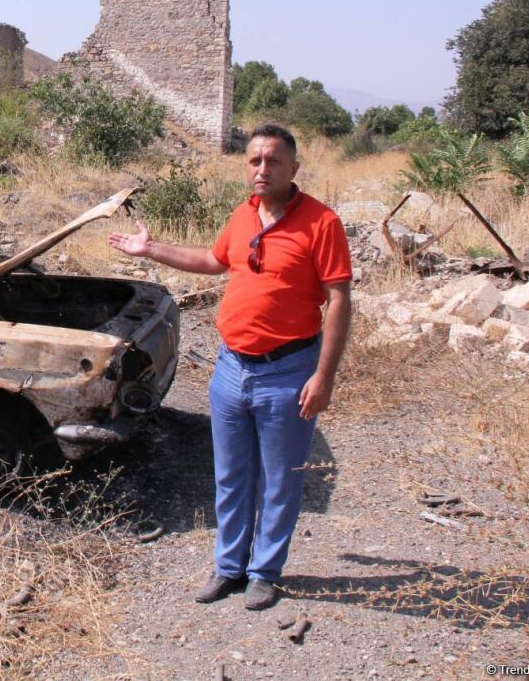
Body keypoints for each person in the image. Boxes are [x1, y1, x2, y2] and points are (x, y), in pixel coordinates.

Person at [108, 123, 352, 611]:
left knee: (281, 478)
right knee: (231, 474)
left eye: (273, 161)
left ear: (293, 168)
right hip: (230, 369)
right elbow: (213, 260)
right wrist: (150, 249)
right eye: (255, 160)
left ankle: (265, 572)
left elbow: (340, 299)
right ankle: (229, 567)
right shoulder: (243, 216)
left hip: (287, 372)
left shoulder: (321, 223)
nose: (262, 169)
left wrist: (323, 376)